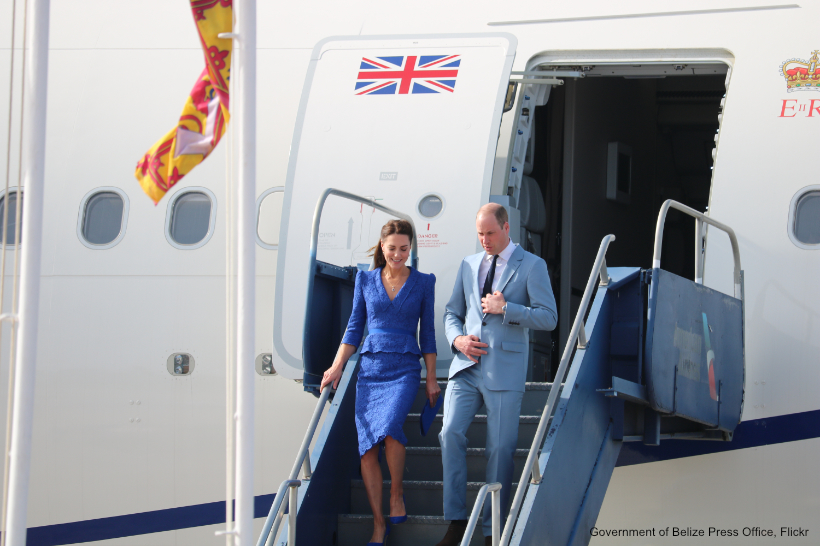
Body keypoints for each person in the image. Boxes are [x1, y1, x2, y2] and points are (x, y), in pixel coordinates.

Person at [437, 203, 557, 546]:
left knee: (500, 449)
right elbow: (451, 313)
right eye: (479, 233)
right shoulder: (468, 264)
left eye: (490, 233)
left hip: (504, 369)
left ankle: (493, 531)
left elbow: (549, 318)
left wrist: (509, 310)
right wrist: (457, 339)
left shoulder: (533, 266)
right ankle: (457, 521)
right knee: (449, 434)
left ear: (506, 228)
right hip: (466, 368)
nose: (484, 240)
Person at [320, 219, 440, 546]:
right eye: (392, 249)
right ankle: (378, 524)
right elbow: (354, 328)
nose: (398, 254)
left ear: (410, 248)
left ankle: (396, 494)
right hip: (370, 369)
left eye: (404, 249)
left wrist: (430, 376)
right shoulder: (365, 279)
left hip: (403, 367)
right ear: (382, 246)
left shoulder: (424, 282)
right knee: (367, 449)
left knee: (389, 430)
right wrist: (336, 366)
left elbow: (427, 334)